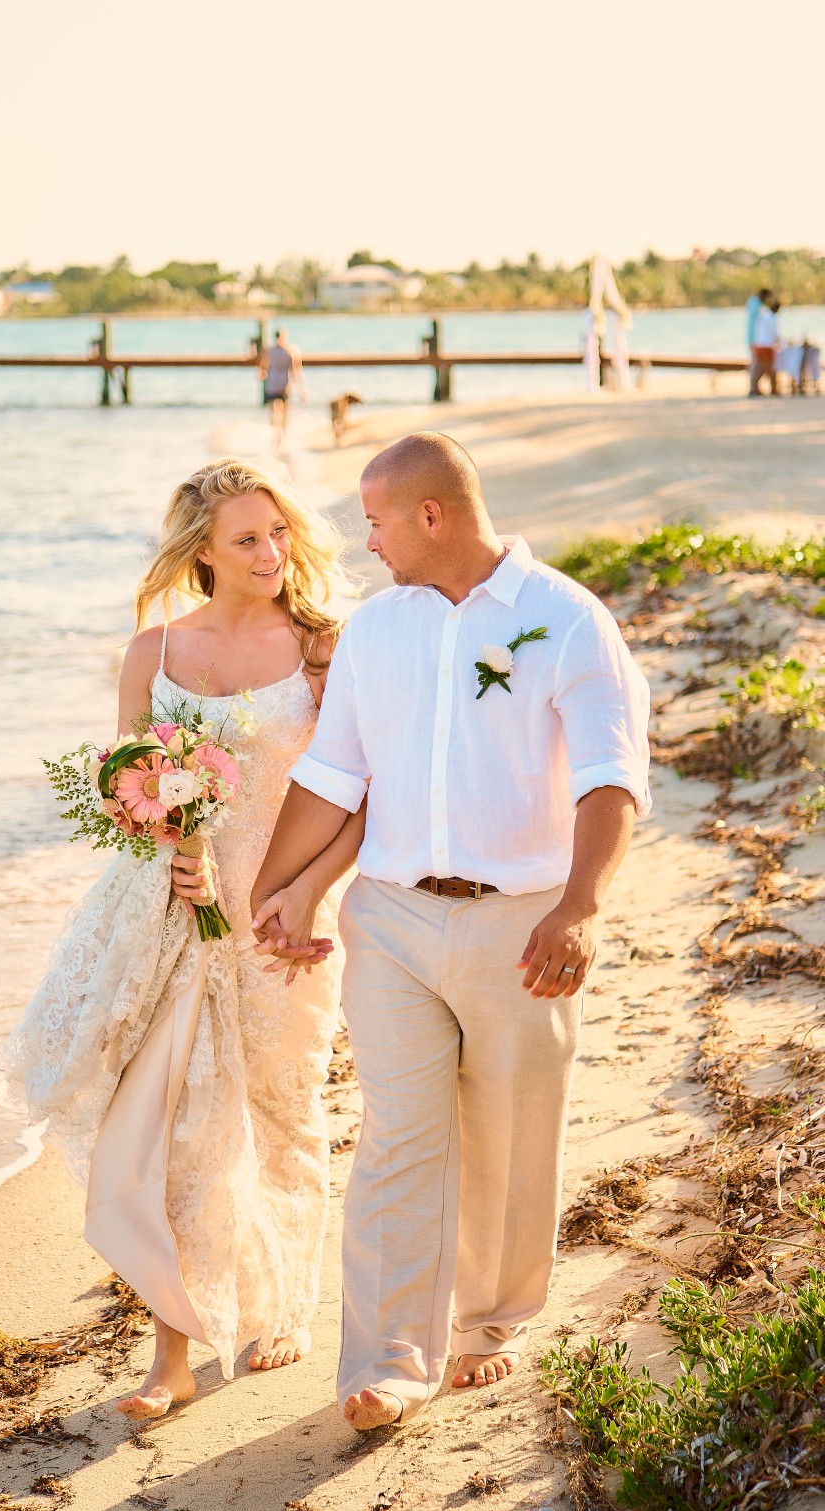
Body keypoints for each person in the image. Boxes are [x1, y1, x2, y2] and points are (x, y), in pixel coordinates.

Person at [251, 432, 652, 1430]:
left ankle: (488, 1324)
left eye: (377, 519)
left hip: (523, 920)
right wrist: (272, 891)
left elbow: (611, 777)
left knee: (511, 1133)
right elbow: (333, 774)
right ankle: (387, 1360)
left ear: (431, 515)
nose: (368, 539)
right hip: (387, 916)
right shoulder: (375, 630)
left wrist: (580, 906)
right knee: (397, 1134)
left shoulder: (563, 620)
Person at [0, 459, 363, 1420]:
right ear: (200, 551)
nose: (272, 553)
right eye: (247, 538)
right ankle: (173, 1349)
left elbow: (365, 792)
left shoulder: (324, 650)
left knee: (283, 1107)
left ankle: (280, 1300)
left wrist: (311, 893)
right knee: (176, 1125)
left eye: (279, 532)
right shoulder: (152, 653)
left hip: (282, 911)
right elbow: (128, 792)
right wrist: (171, 839)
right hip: (168, 918)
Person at [258, 328, 307, 451]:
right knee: (285, 411)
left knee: (274, 411)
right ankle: (283, 436)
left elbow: (262, 367)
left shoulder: (269, 350)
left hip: (272, 382)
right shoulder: (292, 350)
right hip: (285, 383)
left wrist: (262, 375)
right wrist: (301, 390)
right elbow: (296, 371)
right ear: (285, 336)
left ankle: (276, 436)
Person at [751, 299, 782, 396]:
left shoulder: (763, 316)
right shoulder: (772, 318)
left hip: (759, 345)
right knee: (770, 368)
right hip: (767, 347)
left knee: (759, 367)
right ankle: (773, 389)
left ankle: (754, 388)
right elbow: (776, 334)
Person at [747, 287, 773, 395]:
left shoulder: (754, 304)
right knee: (757, 364)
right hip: (756, 340)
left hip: (757, 340)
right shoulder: (756, 305)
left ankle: (755, 387)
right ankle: (753, 388)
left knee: (758, 364)